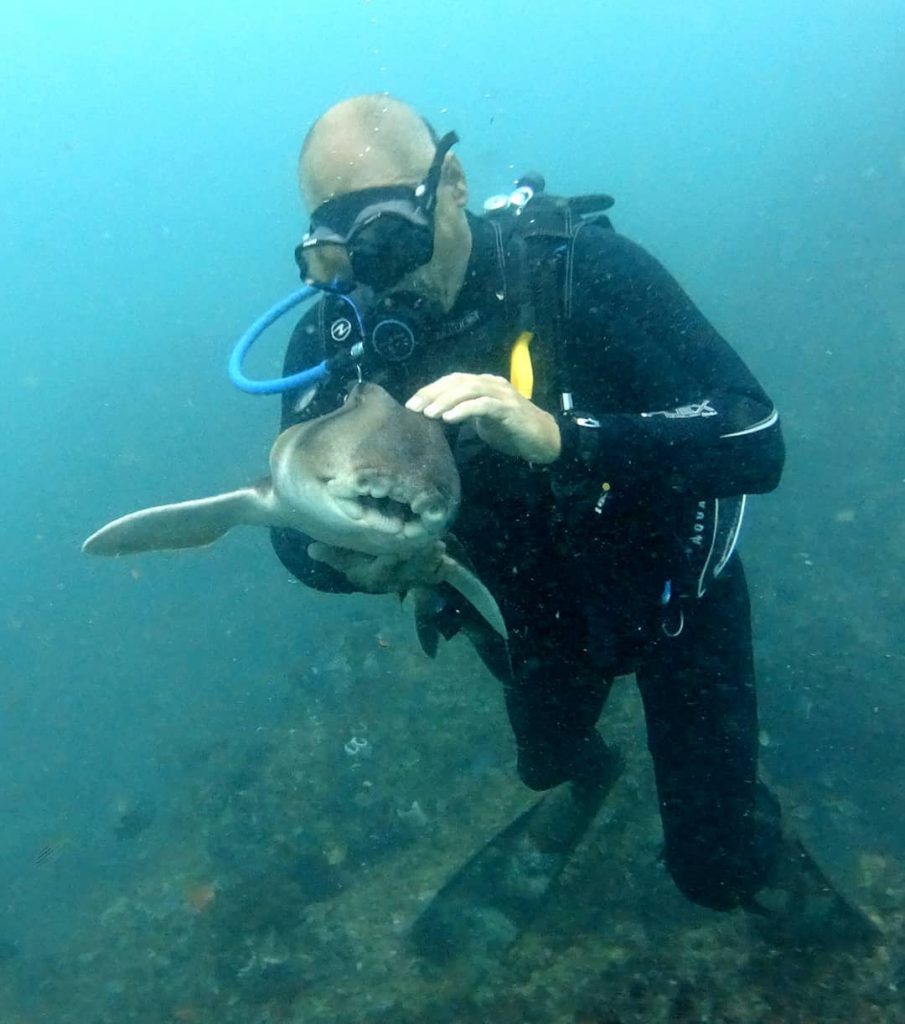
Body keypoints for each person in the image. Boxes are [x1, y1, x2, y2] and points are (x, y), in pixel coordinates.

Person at [270, 94, 871, 940]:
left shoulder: (576, 270)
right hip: (520, 621)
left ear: (452, 185)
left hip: (671, 602)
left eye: (392, 240)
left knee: (713, 868)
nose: (380, 279)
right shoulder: (334, 347)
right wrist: (343, 562)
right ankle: (590, 773)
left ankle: (744, 849)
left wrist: (562, 437)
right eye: (342, 258)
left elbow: (753, 436)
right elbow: (288, 528)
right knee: (545, 763)